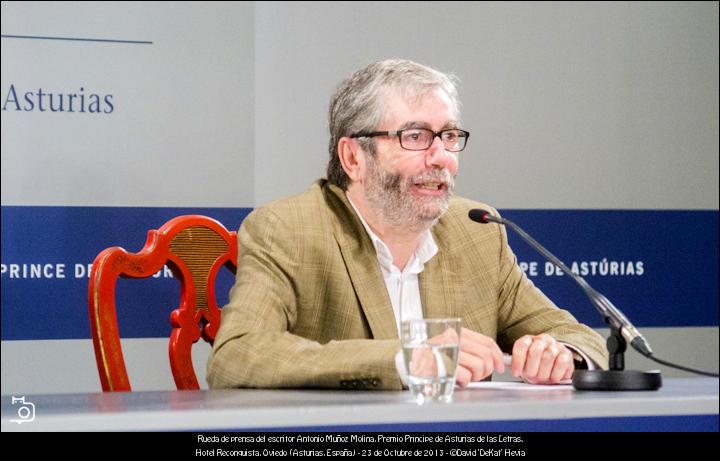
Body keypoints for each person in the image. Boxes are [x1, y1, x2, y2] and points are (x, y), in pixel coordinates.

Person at [207, 59, 607, 390]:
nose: (441, 158)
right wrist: (406, 359)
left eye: (449, 137)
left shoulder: (476, 233)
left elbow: (579, 337)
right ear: (353, 158)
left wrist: (557, 353)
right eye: (415, 136)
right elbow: (238, 355)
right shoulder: (288, 229)